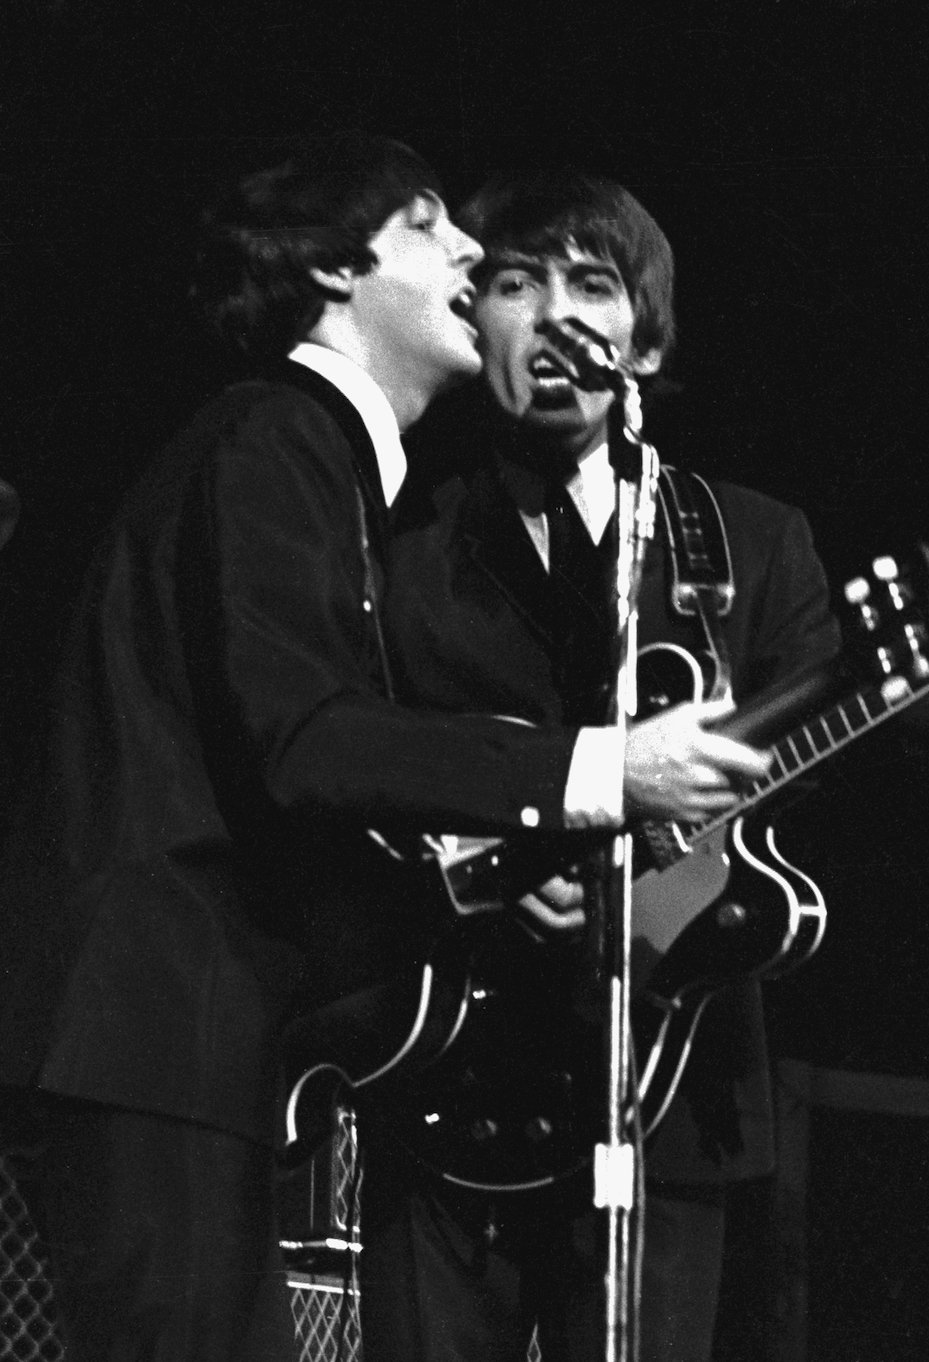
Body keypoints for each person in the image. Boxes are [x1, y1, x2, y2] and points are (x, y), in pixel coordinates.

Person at [0, 135, 727, 1362]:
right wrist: (603, 772)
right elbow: (304, 742)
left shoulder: (309, 462)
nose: (471, 252)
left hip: (177, 1042)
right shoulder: (274, 440)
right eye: (431, 223)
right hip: (150, 1032)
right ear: (338, 268)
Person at [364, 169, 929, 1362]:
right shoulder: (403, 543)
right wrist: (475, 857)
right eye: (519, 284)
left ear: (645, 334)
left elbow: (853, 765)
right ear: (475, 318)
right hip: (449, 1070)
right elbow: (341, 766)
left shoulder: (742, 539)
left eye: (593, 284)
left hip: (675, 1087)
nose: (555, 318)